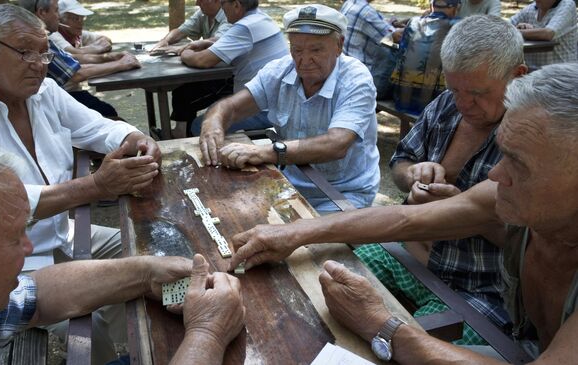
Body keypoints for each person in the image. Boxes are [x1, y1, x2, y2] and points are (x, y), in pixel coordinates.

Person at [230, 62, 578, 363]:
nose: (495, 173)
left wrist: (382, 325)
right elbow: (404, 218)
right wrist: (296, 232)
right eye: (503, 153)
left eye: (519, 163)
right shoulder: (516, 196)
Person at [0, 4, 158, 363]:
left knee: (144, 248)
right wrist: (97, 186)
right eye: (25, 51)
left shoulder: (45, 91)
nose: (39, 63)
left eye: (44, 51)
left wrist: (138, 139)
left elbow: (99, 127)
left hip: (63, 233)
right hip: (6, 258)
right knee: (87, 328)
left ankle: (139, 349)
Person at [0, 123, 245, 365]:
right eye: (13, 239)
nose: (28, 248)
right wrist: (207, 335)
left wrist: (145, 273)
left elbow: (34, 298)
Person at [356, 15, 527, 344]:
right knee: (332, 279)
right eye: (454, 89)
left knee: (414, 347)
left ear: (517, 76)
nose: (463, 103)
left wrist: (463, 212)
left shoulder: (533, 136)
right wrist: (413, 176)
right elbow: (400, 162)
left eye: (477, 93)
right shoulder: (449, 104)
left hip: (477, 289)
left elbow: (529, 244)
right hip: (406, 255)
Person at [199, 4, 379, 212]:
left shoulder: (356, 79)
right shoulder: (280, 70)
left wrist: (265, 152)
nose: (304, 60)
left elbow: (336, 144)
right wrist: (213, 122)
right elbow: (231, 107)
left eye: (316, 50)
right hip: (289, 183)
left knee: (296, 241)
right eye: (297, 49)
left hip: (342, 193)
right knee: (222, 211)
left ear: (339, 45)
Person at [181, 0, 289, 136]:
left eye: (223, 3)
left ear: (236, 5)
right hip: (277, 102)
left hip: (265, 109)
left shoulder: (245, 27)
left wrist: (185, 52)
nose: (222, 8)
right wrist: (208, 42)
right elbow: (231, 39)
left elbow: (202, 60)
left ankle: (213, 156)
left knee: (199, 125)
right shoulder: (260, 18)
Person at [19, 0, 141, 118]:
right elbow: (75, 73)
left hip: (44, 102)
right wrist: (121, 64)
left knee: (108, 113)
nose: (58, 17)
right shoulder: (38, 41)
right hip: (46, 105)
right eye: (56, 11)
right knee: (108, 113)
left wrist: (111, 58)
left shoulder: (38, 37)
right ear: (42, 13)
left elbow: (74, 61)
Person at [150, 0, 233, 138]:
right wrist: (165, 41)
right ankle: (181, 132)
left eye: (200, 0)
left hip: (229, 78)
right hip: (212, 72)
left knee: (186, 95)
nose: (196, 3)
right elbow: (182, 30)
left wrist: (183, 50)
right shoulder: (203, 13)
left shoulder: (229, 16)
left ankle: (181, 134)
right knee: (182, 88)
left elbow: (216, 42)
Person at [390, 0, 460, 114]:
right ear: (455, 8)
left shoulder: (413, 22)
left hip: (401, 99)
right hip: (435, 106)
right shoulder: (457, 25)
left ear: (431, 6)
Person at [340, 0, 397, 99]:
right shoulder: (366, 11)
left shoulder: (350, 3)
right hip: (359, 79)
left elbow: (378, 23)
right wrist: (417, 23)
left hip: (343, 72)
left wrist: (393, 23)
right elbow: (396, 36)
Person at [510, 0, 577, 69]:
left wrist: (518, 31)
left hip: (561, 73)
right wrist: (517, 28)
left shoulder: (567, 5)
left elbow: (548, 33)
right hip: (531, 73)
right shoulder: (531, 8)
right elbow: (504, 27)